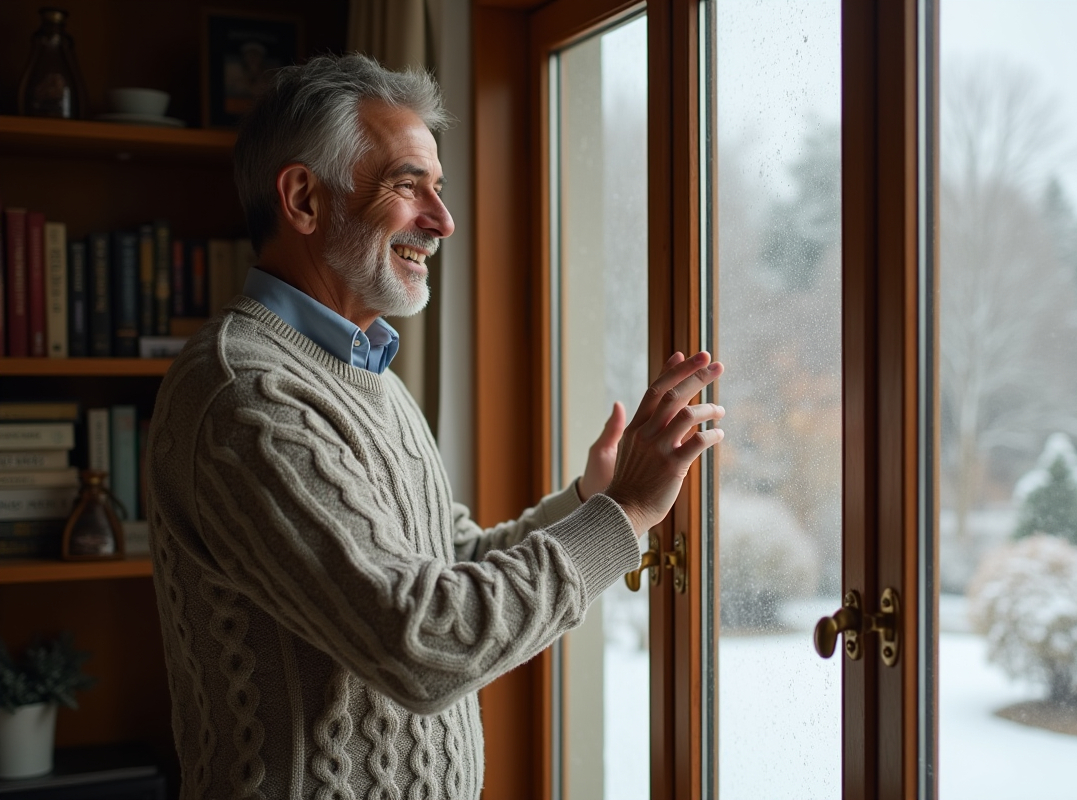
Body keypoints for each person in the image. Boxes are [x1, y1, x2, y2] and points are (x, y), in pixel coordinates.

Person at [146, 53, 724, 800]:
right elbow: (423, 644)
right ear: (303, 199)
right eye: (407, 184)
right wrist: (625, 516)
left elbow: (446, 563)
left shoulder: (366, 374)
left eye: (439, 189)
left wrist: (588, 501)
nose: (443, 221)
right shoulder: (244, 396)